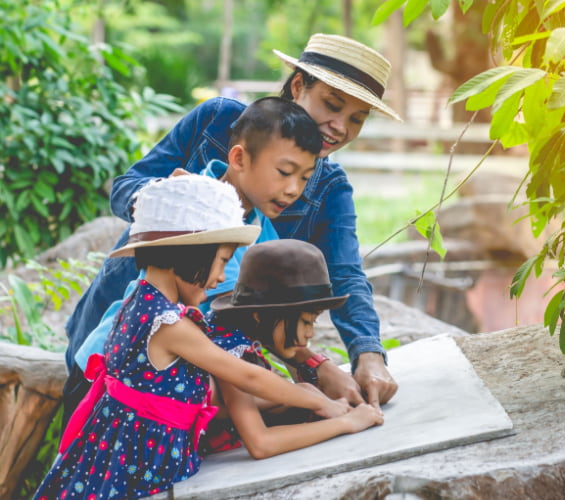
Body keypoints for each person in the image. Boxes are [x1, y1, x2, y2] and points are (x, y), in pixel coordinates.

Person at [64, 33, 400, 413]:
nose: (340, 127)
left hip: (198, 364)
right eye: (332, 105)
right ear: (297, 86)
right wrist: (169, 202)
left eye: (357, 119)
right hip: (116, 322)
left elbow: (344, 275)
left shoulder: (327, 192)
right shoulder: (218, 120)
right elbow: (126, 186)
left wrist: (368, 353)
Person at [34, 176, 380, 500]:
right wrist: (330, 409)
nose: (219, 278)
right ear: (190, 253)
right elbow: (248, 376)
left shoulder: (140, 303)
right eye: (222, 260)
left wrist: (305, 393)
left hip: (125, 464)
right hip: (128, 477)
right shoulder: (168, 323)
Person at [61, 96, 321, 425]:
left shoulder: (263, 236)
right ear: (239, 157)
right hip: (106, 381)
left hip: (155, 383)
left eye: (305, 178)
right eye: (284, 172)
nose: (293, 188)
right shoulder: (189, 214)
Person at [200, 239, 384, 458]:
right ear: (261, 315)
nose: (310, 334)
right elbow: (261, 444)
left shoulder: (228, 332)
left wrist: (308, 395)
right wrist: (348, 422)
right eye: (306, 322)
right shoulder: (230, 351)